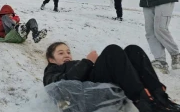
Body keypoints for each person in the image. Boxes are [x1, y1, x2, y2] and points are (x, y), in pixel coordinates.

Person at [43, 42, 180, 112]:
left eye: (68, 52)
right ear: (51, 59)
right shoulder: (51, 71)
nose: (67, 55)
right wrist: (88, 62)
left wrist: (92, 64)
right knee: (112, 51)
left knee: (133, 50)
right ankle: (144, 102)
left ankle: (161, 97)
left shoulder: (75, 64)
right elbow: (64, 84)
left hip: (95, 84)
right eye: (61, 53)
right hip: (88, 96)